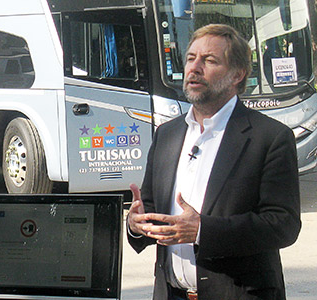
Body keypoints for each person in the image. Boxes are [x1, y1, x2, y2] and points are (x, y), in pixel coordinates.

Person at [127, 24, 301, 300]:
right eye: (191, 58)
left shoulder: (270, 137)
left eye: (209, 61)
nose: (194, 68)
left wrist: (202, 231)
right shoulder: (167, 134)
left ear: (237, 75)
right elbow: (151, 208)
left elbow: (283, 225)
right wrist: (137, 224)